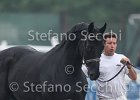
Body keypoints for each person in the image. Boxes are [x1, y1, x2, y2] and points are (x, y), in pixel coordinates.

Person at [82, 32, 137, 100]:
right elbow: (82, 73)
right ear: (103, 44)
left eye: (114, 43)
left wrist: (129, 67)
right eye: (109, 43)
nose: (112, 46)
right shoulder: (96, 60)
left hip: (121, 98)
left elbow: (134, 78)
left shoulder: (122, 58)